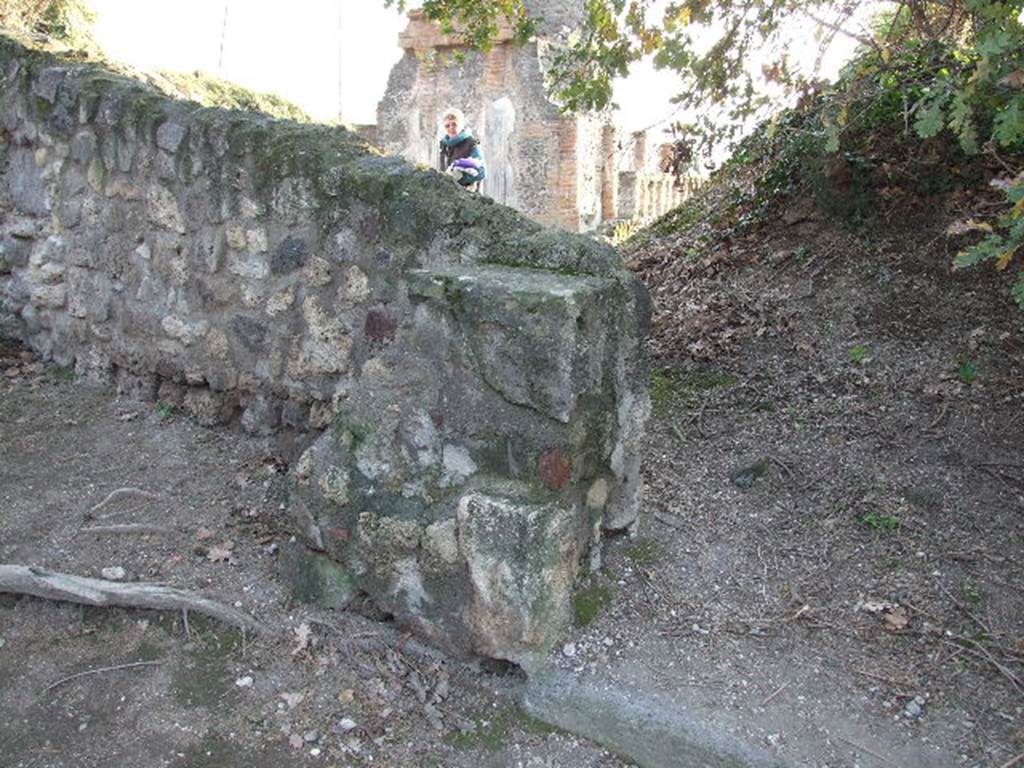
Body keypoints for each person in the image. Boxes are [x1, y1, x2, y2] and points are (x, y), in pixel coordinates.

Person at [439, 108, 485, 191]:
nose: (451, 128)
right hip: (447, 193)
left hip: (468, 195)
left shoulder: (471, 143)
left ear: (461, 125)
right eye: (447, 126)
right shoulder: (444, 145)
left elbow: (481, 172)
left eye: (454, 124)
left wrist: (461, 177)